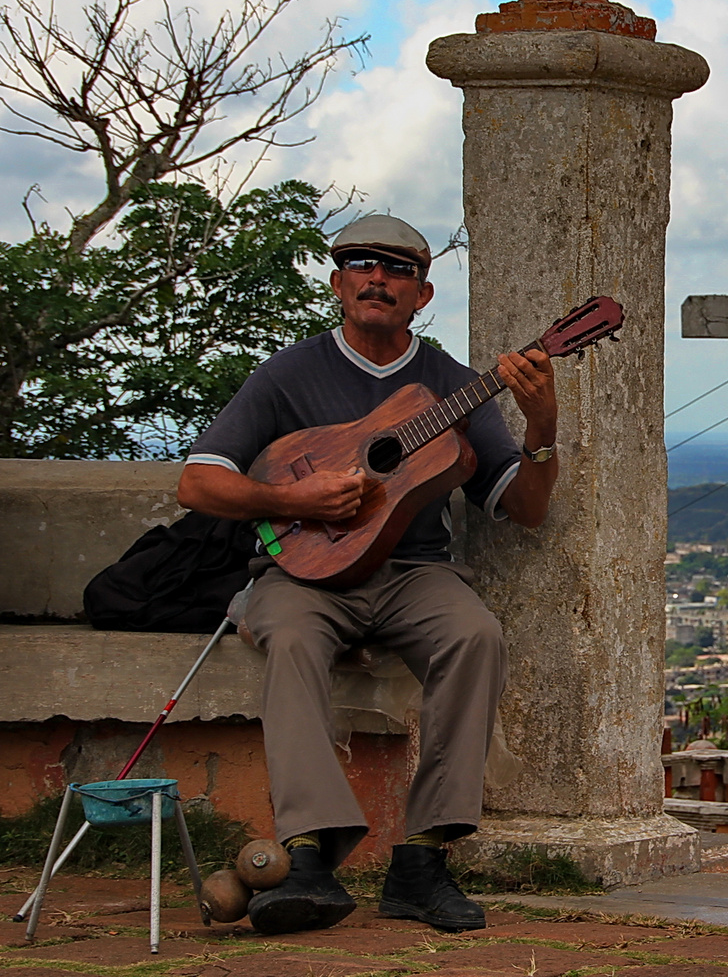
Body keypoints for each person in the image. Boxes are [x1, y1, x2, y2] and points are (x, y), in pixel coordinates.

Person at [176, 214, 558, 935]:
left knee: (476, 636)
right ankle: (310, 854)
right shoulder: (290, 373)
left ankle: (421, 861)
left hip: (414, 570)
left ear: (423, 294)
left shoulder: (452, 384)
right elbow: (198, 484)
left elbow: (528, 508)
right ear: (337, 284)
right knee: (289, 642)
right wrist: (291, 498)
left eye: (397, 268)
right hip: (304, 573)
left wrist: (543, 426)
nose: (376, 278)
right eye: (359, 264)